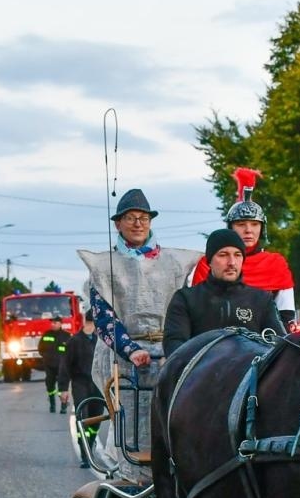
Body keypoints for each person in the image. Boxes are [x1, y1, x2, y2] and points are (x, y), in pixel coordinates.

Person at [76, 188, 198, 466]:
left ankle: (171, 473)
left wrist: (175, 348)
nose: (138, 223)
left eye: (143, 217)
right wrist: (129, 349)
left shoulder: (174, 263)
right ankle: (130, 473)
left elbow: (182, 308)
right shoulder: (105, 266)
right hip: (123, 357)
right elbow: (104, 318)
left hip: (168, 351)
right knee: (129, 419)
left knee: (172, 414)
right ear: (118, 224)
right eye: (130, 217)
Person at [187, 168, 297, 326]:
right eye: (241, 224)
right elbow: (195, 310)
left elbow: (286, 315)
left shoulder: (276, 264)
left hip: (266, 340)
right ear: (231, 227)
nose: (248, 230)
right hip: (216, 338)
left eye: (254, 224)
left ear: (262, 228)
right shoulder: (208, 263)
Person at [164, 229, 284, 357]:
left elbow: (280, 346)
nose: (231, 262)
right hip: (201, 374)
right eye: (223, 255)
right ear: (209, 261)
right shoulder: (186, 299)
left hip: (251, 374)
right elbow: (175, 346)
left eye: (237, 255)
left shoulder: (261, 300)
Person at [57, 314, 99, 468]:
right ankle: (85, 454)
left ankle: (91, 444)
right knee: (83, 418)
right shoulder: (74, 341)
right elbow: (65, 366)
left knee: (97, 418)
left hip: (97, 386)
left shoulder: (99, 341)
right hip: (80, 383)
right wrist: (63, 389)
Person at [37, 318, 68, 414]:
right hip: (49, 365)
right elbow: (40, 348)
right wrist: (46, 357)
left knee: (62, 387)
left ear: (60, 324)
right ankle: (52, 405)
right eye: (52, 323)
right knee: (50, 385)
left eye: (55, 323)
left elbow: (71, 351)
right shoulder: (46, 335)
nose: (53, 324)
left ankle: (63, 406)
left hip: (62, 366)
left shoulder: (66, 336)